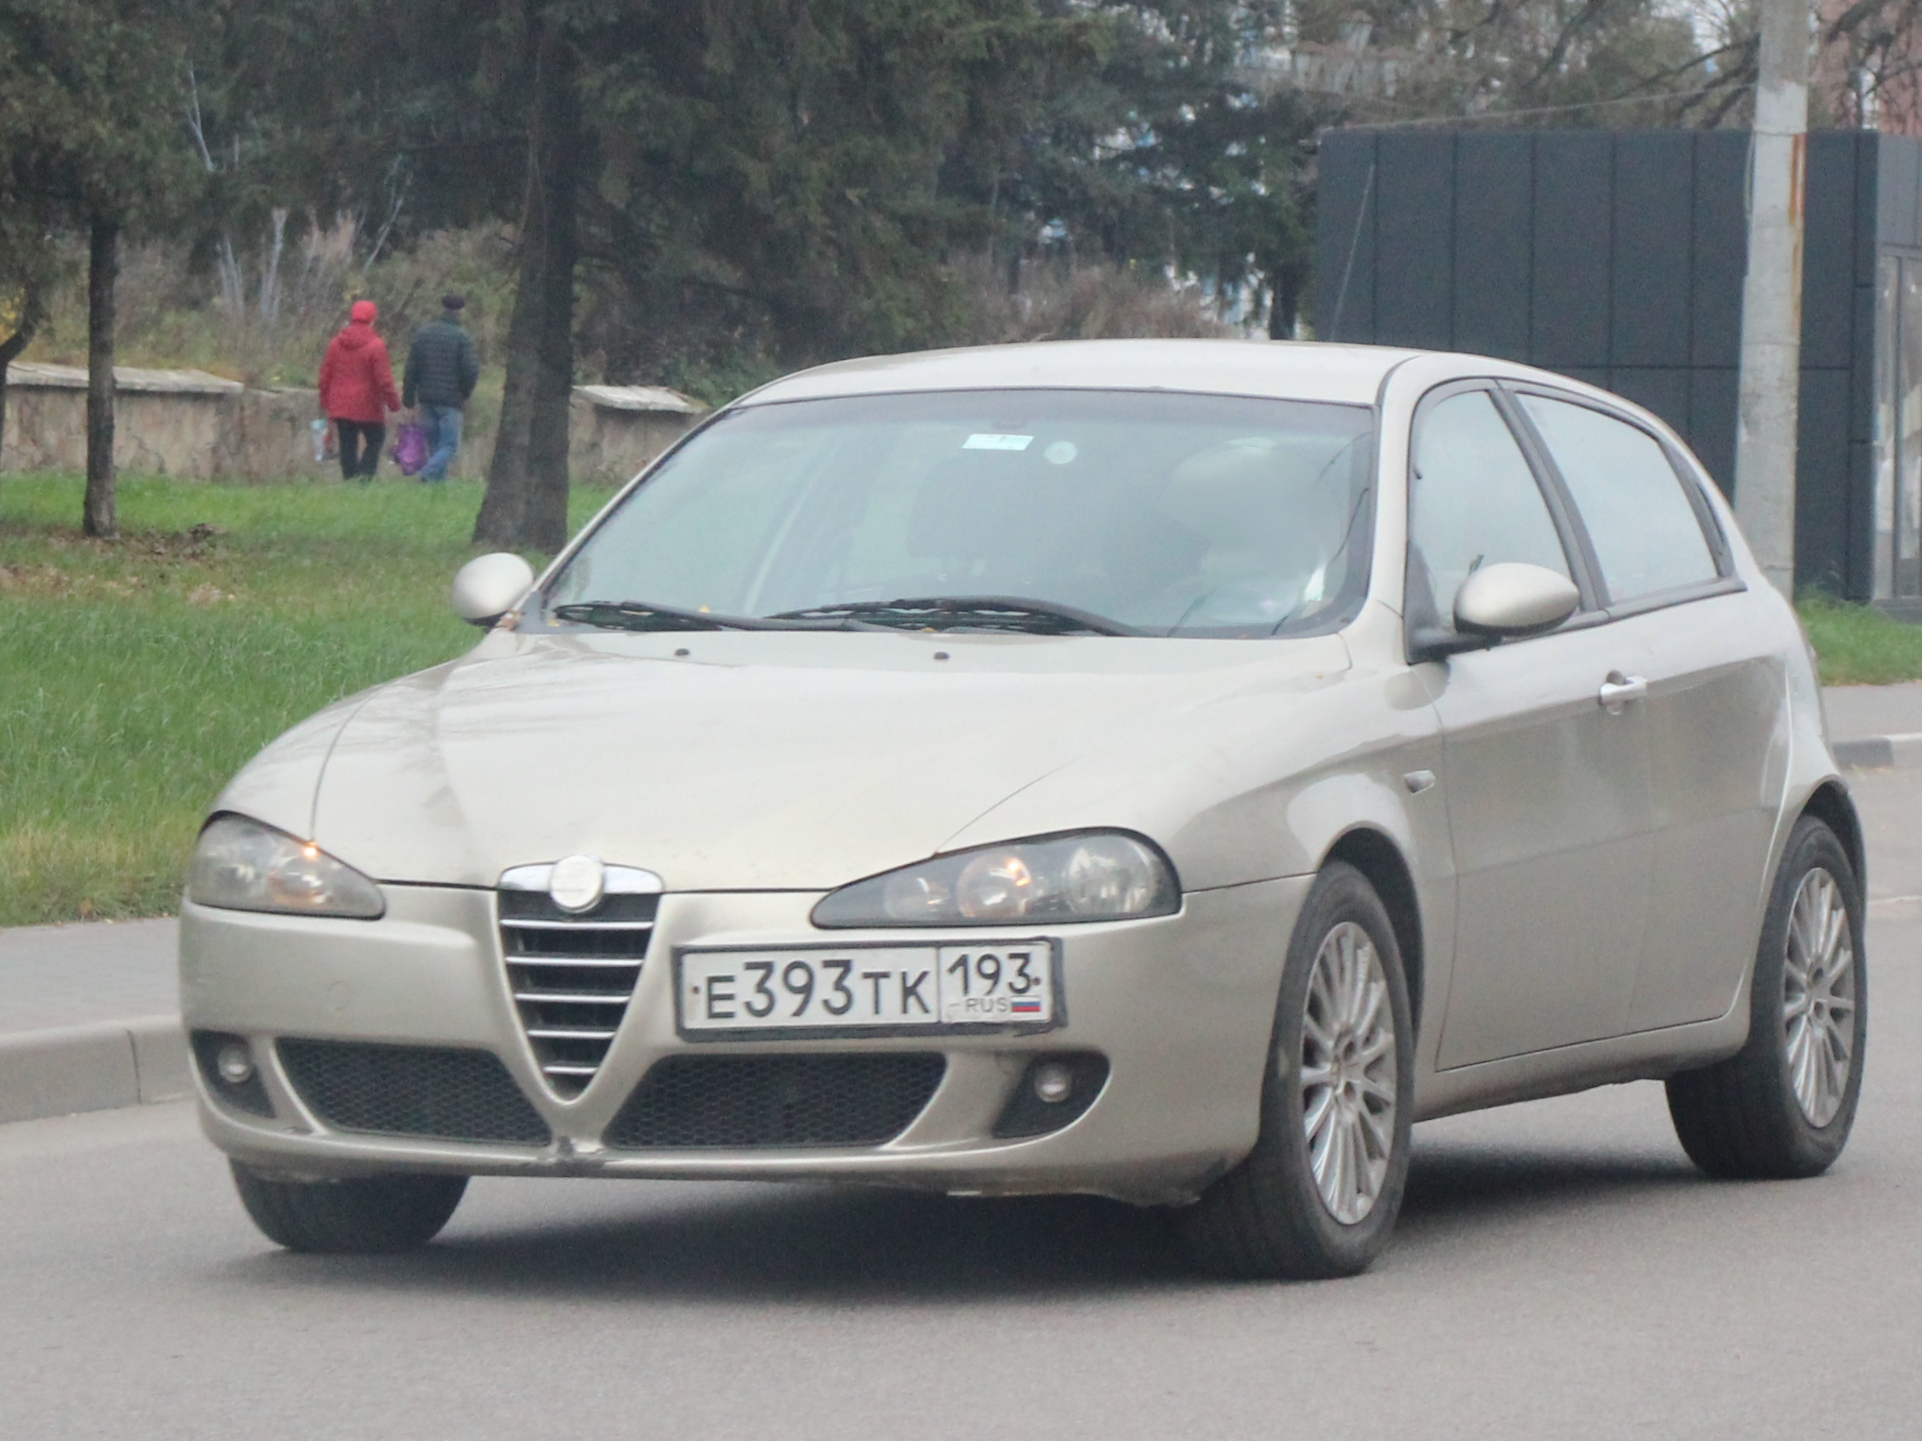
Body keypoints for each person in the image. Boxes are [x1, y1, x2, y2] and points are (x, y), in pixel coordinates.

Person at [317, 299, 401, 481]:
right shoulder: (376, 346)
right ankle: (364, 476)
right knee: (376, 439)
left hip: (340, 405)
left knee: (347, 444)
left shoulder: (335, 344)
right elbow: (384, 381)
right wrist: (394, 404)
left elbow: (325, 376)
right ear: (372, 319)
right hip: (368, 405)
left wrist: (325, 401)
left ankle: (349, 479)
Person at [403, 294, 481, 482]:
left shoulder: (423, 334)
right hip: (451, 401)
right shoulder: (462, 337)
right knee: (449, 446)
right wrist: (465, 392)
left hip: (426, 399)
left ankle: (436, 489)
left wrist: (408, 399)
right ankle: (425, 474)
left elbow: (411, 368)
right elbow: (471, 370)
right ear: (460, 311)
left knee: (435, 446)